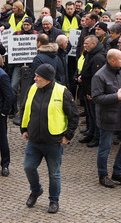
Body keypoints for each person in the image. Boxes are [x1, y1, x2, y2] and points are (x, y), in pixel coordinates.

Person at [21, 64, 79, 214]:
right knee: (28, 167)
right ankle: (36, 190)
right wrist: (24, 128)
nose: (35, 78)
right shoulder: (33, 88)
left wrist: (68, 136)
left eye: (38, 76)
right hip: (34, 140)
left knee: (54, 173)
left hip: (54, 142)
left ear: (47, 79)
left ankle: (54, 200)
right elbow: (25, 108)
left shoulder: (62, 92)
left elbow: (74, 116)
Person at [92, 49, 121, 188]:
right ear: (112, 61)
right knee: (105, 147)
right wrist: (115, 97)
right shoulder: (100, 76)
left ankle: (118, 172)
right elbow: (97, 98)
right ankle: (103, 175)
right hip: (108, 118)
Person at [78, 35, 106, 148]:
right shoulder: (90, 53)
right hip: (86, 88)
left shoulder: (98, 57)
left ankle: (97, 137)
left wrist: (91, 92)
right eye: (84, 44)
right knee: (90, 114)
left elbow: (96, 77)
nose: (84, 46)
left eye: (86, 44)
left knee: (95, 115)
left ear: (94, 44)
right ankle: (91, 133)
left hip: (92, 91)